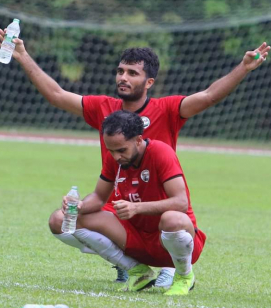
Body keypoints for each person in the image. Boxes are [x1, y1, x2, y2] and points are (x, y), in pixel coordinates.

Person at [0, 29, 269, 287]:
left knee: (171, 224)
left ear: (149, 82)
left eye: (132, 73)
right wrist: (22, 55)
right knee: (59, 220)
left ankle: (171, 268)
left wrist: (243, 67)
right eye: (120, 71)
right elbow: (56, 95)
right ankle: (129, 264)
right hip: (119, 209)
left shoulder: (168, 109)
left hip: (158, 210)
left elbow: (209, 96)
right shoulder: (103, 107)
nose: (123, 77)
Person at [51, 110, 206, 295]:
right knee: (60, 219)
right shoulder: (114, 159)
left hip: (171, 242)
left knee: (172, 219)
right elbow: (99, 198)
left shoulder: (160, 152)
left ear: (138, 140)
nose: (116, 157)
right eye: (111, 150)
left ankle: (184, 276)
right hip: (135, 240)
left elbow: (181, 202)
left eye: (122, 150)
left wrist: (136, 208)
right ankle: (137, 272)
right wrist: (79, 206)